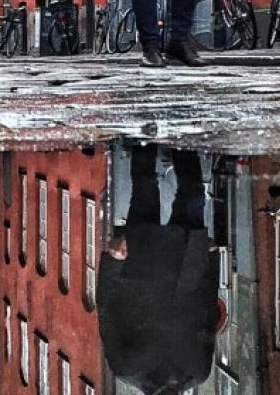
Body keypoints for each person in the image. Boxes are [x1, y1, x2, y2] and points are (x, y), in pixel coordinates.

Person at [99, 146, 219, 393]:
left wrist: (113, 261)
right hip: (188, 267)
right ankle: (180, 136)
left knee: (144, 188)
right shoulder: (199, 372)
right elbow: (208, 313)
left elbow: (107, 310)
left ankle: (144, 134)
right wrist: (212, 260)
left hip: (141, 264)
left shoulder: (126, 368)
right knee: (194, 194)